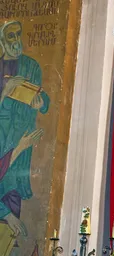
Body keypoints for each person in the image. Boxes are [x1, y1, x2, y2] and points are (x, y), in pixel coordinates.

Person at [0, 21, 49, 240]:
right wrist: (6, 91)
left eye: (18, 35)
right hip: (3, 134)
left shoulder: (31, 66)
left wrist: (42, 102)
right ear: (2, 41)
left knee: (12, 187)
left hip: (20, 135)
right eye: (10, 37)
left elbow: (42, 95)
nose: (16, 41)